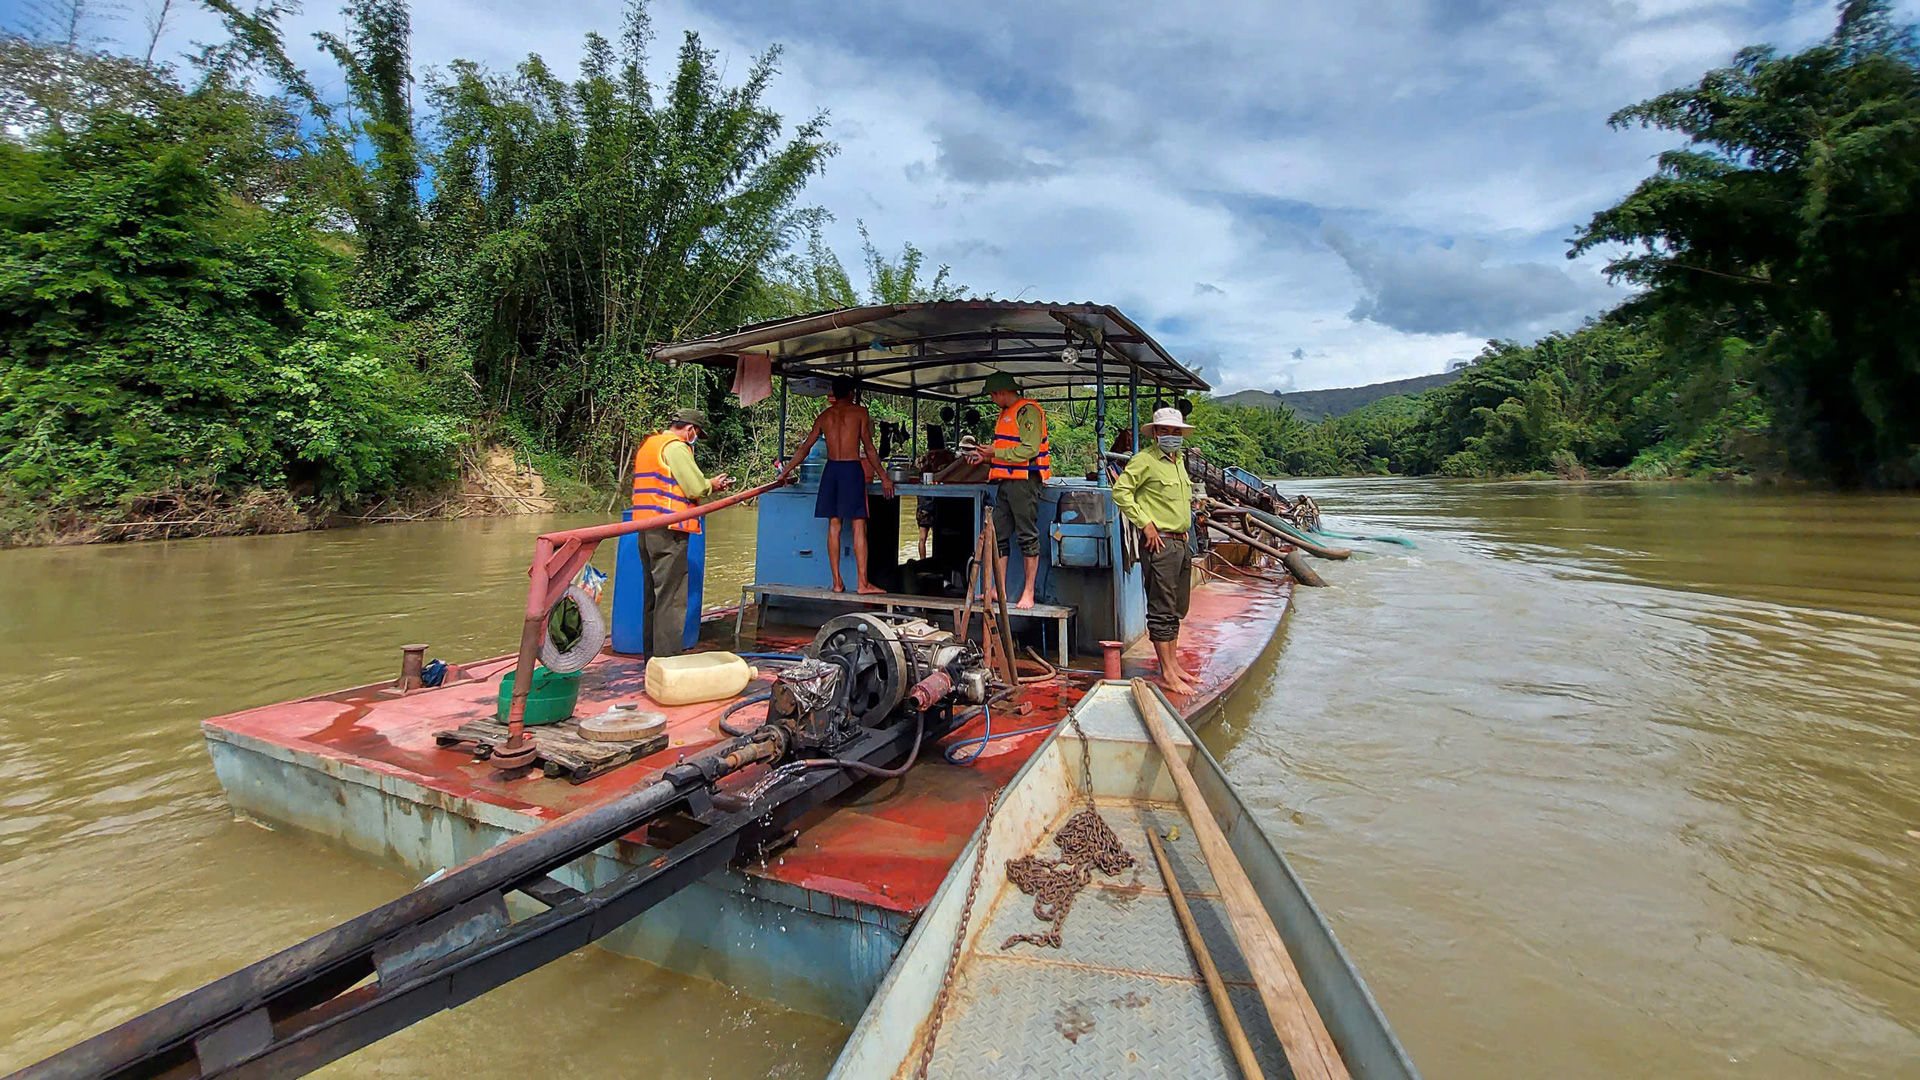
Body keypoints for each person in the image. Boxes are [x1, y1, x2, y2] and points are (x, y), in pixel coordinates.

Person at [777, 376, 895, 593]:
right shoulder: (860, 413)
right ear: (851, 393)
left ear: (834, 393)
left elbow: (805, 448)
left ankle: (837, 583)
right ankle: (862, 584)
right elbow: (868, 448)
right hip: (851, 469)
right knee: (859, 524)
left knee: (834, 524)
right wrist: (884, 476)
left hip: (831, 470)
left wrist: (785, 471)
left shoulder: (824, 416)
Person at [630, 408, 733, 657]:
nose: (694, 438)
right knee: (671, 599)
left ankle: (652, 660)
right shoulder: (676, 447)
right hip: (669, 532)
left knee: (653, 599)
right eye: (696, 433)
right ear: (690, 429)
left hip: (645, 529)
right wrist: (713, 485)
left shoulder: (650, 444)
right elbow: (694, 487)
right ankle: (666, 663)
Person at [1110, 406, 1198, 694]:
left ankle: (1173, 666)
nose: (1171, 436)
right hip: (1160, 542)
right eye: (1166, 431)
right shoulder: (1145, 460)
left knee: (1175, 609)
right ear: (1156, 433)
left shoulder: (1178, 461)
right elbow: (1121, 491)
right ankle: (1166, 673)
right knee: (1161, 609)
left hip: (1181, 542)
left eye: (1176, 432)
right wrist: (1145, 524)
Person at [963, 372, 1050, 609]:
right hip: (1005, 483)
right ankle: (995, 589)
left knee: (1027, 536)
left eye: (992, 395)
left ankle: (1028, 593)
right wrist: (984, 457)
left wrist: (995, 453)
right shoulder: (1004, 413)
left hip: (1024, 482)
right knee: (998, 533)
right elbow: (1005, 451)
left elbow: (1029, 450)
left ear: (1001, 393)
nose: (992, 399)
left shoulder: (1027, 411)